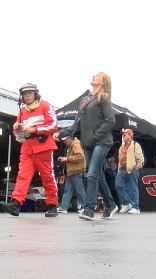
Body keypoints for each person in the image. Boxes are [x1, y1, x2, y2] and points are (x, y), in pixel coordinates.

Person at [59, 72, 118, 221]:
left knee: (91, 174)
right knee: (97, 175)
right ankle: (110, 205)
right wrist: (61, 133)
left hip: (102, 141)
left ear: (103, 82)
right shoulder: (85, 100)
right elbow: (76, 123)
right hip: (88, 143)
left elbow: (110, 120)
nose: (93, 76)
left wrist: (95, 135)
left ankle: (89, 210)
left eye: (97, 75)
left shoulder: (103, 98)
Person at [0, 83, 59, 217]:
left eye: (29, 93)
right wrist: (16, 130)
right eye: (25, 95)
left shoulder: (45, 106)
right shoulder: (22, 112)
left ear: (35, 94)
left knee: (47, 177)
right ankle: (15, 203)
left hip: (43, 147)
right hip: (27, 148)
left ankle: (52, 205)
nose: (27, 96)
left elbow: (54, 125)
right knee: (22, 176)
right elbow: (18, 135)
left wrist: (35, 130)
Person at [115, 129, 144, 214]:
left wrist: (136, 167)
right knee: (118, 185)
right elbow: (120, 158)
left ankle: (135, 207)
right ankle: (126, 203)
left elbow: (140, 157)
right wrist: (119, 169)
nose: (123, 136)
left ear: (130, 135)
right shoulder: (122, 146)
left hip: (132, 169)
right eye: (123, 135)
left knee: (133, 188)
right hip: (122, 169)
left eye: (125, 134)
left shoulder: (135, 144)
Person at [55, 132, 87, 213]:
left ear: (70, 139)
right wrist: (65, 158)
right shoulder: (72, 145)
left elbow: (80, 156)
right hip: (71, 171)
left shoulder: (76, 145)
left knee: (79, 190)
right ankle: (64, 207)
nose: (64, 142)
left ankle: (85, 207)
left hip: (76, 170)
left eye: (65, 140)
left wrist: (66, 159)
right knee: (68, 190)